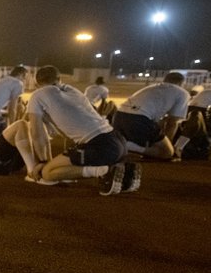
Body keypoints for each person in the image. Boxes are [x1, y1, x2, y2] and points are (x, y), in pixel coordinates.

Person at [26, 66, 139, 195]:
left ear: (37, 83)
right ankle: (124, 170)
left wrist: (42, 161)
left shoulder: (38, 95)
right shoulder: (73, 90)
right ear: (59, 79)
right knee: (69, 161)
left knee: (47, 172)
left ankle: (105, 171)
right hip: (117, 140)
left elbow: (36, 133)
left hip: (99, 146)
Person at [112, 71, 190, 160]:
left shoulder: (152, 87)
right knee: (166, 152)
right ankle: (128, 146)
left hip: (119, 116)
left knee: (148, 139)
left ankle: (124, 144)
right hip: (138, 119)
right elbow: (172, 122)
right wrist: (169, 145)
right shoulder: (182, 92)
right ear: (181, 83)